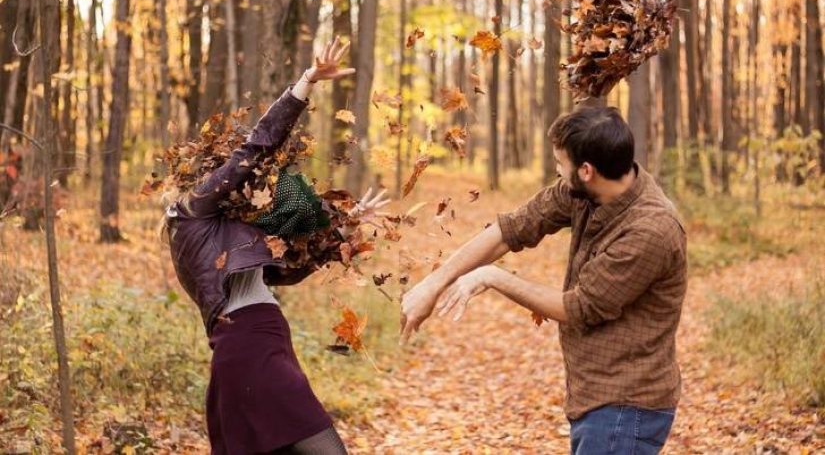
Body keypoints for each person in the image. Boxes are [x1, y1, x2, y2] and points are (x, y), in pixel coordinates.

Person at [400, 106, 687, 454]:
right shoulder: (584, 191)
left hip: (626, 405)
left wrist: (494, 277)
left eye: (559, 162)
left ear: (586, 170)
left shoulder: (650, 230)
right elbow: (512, 229)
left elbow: (580, 306)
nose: (555, 169)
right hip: (595, 395)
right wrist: (434, 284)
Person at [163, 37, 389, 454]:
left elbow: (287, 271)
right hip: (250, 348)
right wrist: (305, 82)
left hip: (264, 343)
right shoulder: (194, 210)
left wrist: (344, 227)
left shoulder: (222, 230)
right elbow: (254, 150)